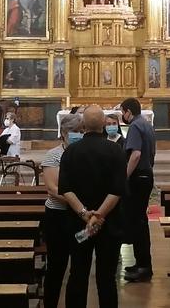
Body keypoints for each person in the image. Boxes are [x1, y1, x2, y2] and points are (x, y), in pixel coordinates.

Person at [59, 106, 127, 308]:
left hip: (80, 225)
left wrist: (85, 215)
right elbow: (117, 190)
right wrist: (99, 215)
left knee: (78, 274)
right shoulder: (115, 150)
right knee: (107, 278)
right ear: (104, 126)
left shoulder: (71, 151)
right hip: (109, 223)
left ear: (83, 125)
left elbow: (65, 189)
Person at [40, 112, 83, 308]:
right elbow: (53, 189)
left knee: (79, 266)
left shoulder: (84, 154)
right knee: (57, 265)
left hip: (79, 219)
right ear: (64, 132)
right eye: (74, 131)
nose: (78, 135)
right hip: (58, 217)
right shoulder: (53, 155)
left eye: (81, 131)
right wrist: (79, 203)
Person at [120, 97, 155, 282]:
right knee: (140, 221)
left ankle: (143, 266)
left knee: (138, 222)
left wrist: (123, 176)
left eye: (122, 112)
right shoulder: (146, 124)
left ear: (128, 111)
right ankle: (142, 262)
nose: (122, 116)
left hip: (138, 177)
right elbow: (151, 153)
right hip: (146, 174)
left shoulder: (134, 126)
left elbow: (135, 154)